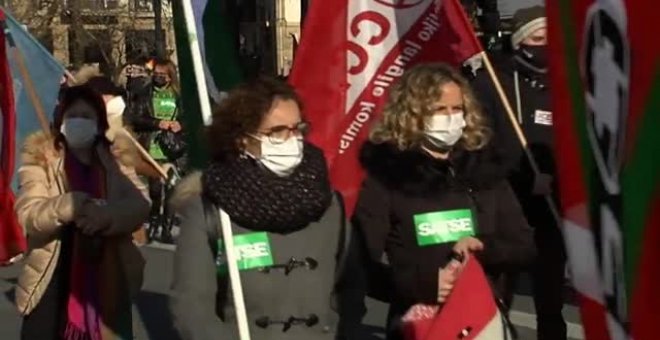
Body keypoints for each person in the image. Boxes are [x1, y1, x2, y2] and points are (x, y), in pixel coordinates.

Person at [352, 63, 535, 340]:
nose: (450, 117)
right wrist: (421, 284)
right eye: (439, 109)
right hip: (419, 326)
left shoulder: (484, 171)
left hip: (483, 322)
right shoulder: (388, 178)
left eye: (457, 109)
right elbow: (361, 262)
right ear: (413, 115)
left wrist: (482, 247)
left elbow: (524, 245)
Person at [169, 78, 349, 339]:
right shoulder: (211, 210)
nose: (292, 139)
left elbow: (350, 287)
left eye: (298, 128)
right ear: (243, 140)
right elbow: (191, 308)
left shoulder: (328, 204)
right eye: (277, 131)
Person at [14, 85, 149, 339]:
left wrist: (105, 216)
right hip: (53, 276)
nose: (79, 122)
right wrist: (67, 206)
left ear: (99, 124)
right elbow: (28, 215)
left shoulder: (115, 160)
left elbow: (139, 204)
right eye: (72, 116)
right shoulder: (41, 159)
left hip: (108, 276)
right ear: (61, 121)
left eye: (87, 117)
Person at [471, 6, 567, 340]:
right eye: (537, 38)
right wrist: (522, 177)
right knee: (500, 299)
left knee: (550, 299)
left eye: (550, 40)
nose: (544, 46)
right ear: (521, 40)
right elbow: (478, 149)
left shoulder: (568, 83)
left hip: (553, 210)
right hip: (506, 211)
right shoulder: (493, 83)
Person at [125, 58, 183, 243]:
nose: (159, 77)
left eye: (163, 75)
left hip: (173, 148)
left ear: (170, 76)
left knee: (172, 189)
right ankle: (154, 221)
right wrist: (157, 123)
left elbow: (191, 115)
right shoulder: (145, 93)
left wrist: (180, 124)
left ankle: (166, 229)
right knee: (156, 190)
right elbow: (134, 117)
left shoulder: (179, 95)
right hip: (152, 147)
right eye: (156, 74)